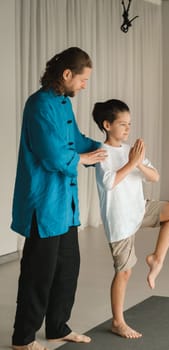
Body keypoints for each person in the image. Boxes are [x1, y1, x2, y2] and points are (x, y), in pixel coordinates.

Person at [11, 47, 107, 350]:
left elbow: (75, 140)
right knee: (38, 274)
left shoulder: (63, 102)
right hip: (44, 203)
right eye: (83, 79)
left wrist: (107, 148)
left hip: (66, 204)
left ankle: (56, 328)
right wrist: (85, 159)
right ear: (67, 74)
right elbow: (52, 154)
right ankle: (23, 338)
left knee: (67, 269)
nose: (84, 85)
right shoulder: (38, 105)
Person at [92, 99, 169, 339]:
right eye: (122, 124)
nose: (127, 129)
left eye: (129, 124)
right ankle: (117, 321)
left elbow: (154, 177)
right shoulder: (101, 153)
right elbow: (109, 183)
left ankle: (156, 259)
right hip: (119, 219)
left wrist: (139, 164)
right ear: (107, 125)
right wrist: (132, 162)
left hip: (139, 209)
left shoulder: (131, 149)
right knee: (124, 272)